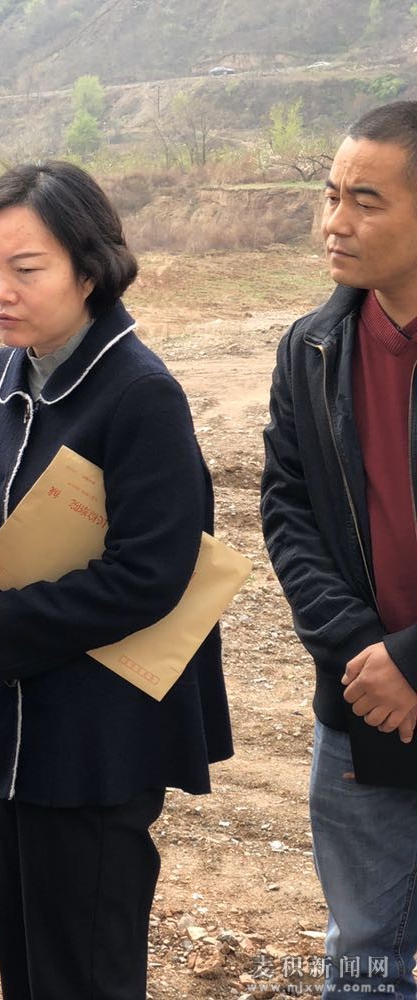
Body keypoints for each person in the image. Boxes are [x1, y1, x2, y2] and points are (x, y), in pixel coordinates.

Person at [0, 161, 231, 1000]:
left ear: (89, 271)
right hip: (11, 724)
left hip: (100, 735)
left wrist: (6, 624)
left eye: (27, 269)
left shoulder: (140, 395)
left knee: (86, 972)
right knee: (26, 968)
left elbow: (150, 574)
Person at [262, 101, 417, 998]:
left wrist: (412, 660)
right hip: (365, 706)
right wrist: (365, 655)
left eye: (366, 201)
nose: (335, 223)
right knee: (364, 956)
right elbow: (288, 511)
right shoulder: (313, 350)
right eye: (331, 196)